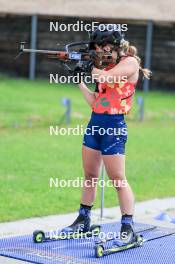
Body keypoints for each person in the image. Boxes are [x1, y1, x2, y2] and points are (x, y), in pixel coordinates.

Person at [62, 24, 151, 243]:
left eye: (104, 46)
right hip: (95, 123)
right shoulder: (102, 67)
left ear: (116, 46)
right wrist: (79, 80)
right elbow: (95, 101)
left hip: (114, 126)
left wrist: (87, 67)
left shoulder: (129, 63)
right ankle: (83, 220)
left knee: (118, 179)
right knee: (90, 176)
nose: (100, 50)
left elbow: (108, 78)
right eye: (97, 46)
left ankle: (127, 227)